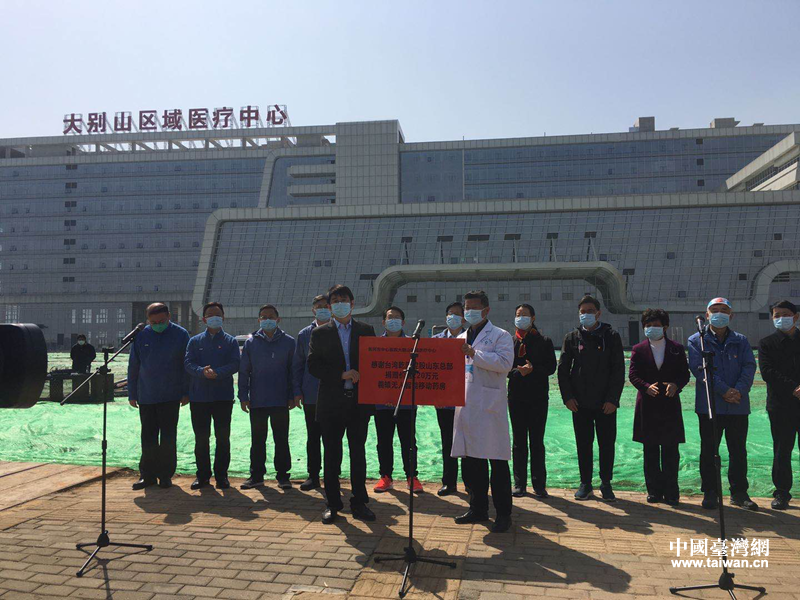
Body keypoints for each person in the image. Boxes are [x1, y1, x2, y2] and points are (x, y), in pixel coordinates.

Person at [307, 284, 376, 524]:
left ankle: (359, 502)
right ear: (329, 306)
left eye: (343, 300)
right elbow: (313, 365)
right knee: (332, 455)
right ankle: (333, 504)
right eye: (335, 301)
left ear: (352, 303)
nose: (339, 304)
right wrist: (341, 374)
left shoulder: (366, 330)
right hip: (331, 403)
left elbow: (374, 363)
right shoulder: (320, 333)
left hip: (358, 403)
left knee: (358, 454)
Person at [452, 290, 515, 533]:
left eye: (474, 308)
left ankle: (503, 514)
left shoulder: (501, 335)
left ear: (486, 310)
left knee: (497, 463)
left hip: (489, 408)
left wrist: (474, 354)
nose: (469, 312)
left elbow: (505, 363)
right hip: (466, 406)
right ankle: (478, 508)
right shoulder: (461, 337)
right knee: (472, 464)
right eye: (466, 308)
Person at [688, 297, 758, 511]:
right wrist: (724, 391)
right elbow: (700, 370)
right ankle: (710, 492)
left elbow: (749, 366)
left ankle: (739, 492)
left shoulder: (741, 340)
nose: (719, 314)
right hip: (710, 405)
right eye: (715, 310)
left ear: (731, 315)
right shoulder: (697, 340)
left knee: (738, 451)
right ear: (707, 315)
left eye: (724, 310)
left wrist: (739, 390)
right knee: (709, 450)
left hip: (738, 405)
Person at [557, 295, 625, 502]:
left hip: (606, 403)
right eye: (582, 312)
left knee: (607, 444)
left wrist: (613, 399)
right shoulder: (572, 338)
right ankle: (585, 483)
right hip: (579, 403)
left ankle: (606, 483)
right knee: (583, 444)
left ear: (598, 313)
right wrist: (568, 397)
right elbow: (563, 370)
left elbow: (618, 370)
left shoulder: (611, 336)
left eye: (590, 311)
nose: (586, 315)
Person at [628, 309, 690, 506]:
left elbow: (684, 374)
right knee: (650, 451)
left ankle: (672, 492)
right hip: (648, 405)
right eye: (648, 325)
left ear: (665, 327)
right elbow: (633, 375)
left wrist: (676, 385)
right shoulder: (638, 349)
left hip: (670, 405)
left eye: (656, 325)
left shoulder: (677, 348)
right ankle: (654, 491)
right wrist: (646, 387)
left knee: (671, 451)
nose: (651, 329)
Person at [127, 303, 190, 490]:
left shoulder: (181, 335)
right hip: (147, 394)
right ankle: (147, 475)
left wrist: (186, 391)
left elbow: (186, 365)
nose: (158, 325)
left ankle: (165, 475)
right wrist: (132, 393)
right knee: (148, 436)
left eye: (161, 321)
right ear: (148, 320)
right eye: (153, 322)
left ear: (169, 316)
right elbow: (134, 366)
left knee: (168, 437)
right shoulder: (141, 336)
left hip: (171, 395)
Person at [238, 304, 296, 490]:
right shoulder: (251, 343)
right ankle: (256, 476)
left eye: (271, 317)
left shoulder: (289, 342)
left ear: (278, 319)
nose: (267, 320)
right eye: (263, 317)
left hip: (280, 399)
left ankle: (283, 476)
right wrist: (243, 395)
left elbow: (293, 371)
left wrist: (293, 395)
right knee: (257, 440)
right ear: (259, 320)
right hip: (258, 400)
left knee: (281, 439)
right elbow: (244, 371)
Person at [184, 302, 240, 491]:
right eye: (210, 315)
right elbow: (188, 363)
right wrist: (202, 371)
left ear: (223, 317)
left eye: (217, 314)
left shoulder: (231, 341)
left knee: (222, 438)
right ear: (203, 319)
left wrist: (218, 373)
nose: (214, 318)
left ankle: (221, 476)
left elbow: (235, 363)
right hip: (199, 397)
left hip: (222, 397)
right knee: (201, 438)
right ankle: (202, 475)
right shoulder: (195, 341)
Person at [507, 303, 556, 499]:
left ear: (533, 318)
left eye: (525, 315)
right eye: (518, 315)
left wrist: (533, 369)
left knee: (537, 441)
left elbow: (551, 367)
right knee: (518, 441)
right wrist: (517, 371)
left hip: (538, 397)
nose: (521, 318)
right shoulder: (510, 341)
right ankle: (519, 484)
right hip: (516, 397)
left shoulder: (544, 341)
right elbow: (504, 366)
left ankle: (539, 484)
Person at [373, 306, 424, 494]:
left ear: (403, 322)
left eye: (396, 318)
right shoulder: (375, 345)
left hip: (407, 403)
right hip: (382, 404)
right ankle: (385, 477)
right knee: (384, 441)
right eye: (389, 317)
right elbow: (373, 374)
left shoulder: (413, 345)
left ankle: (412, 477)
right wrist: (383, 396)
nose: (392, 320)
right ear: (383, 322)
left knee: (408, 442)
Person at [757, 299, 800, 510]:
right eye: (777, 315)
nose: (781, 318)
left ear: (796, 317)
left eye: (786, 314)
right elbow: (768, 372)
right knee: (782, 450)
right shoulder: (767, 343)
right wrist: (794, 388)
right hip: (781, 405)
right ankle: (782, 492)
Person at [292, 294, 331, 491]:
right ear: (313, 310)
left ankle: (332, 475)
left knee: (332, 438)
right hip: (311, 393)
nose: (323, 309)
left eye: (326, 306)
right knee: (313, 437)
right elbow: (298, 364)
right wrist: (297, 390)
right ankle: (313, 475)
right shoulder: (304, 334)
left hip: (334, 393)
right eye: (319, 306)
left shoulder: (338, 330)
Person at [431, 301, 464, 496]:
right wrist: (435, 396)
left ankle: (470, 483)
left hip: (466, 399)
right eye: (450, 313)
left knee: (467, 442)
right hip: (444, 401)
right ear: (446, 317)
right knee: (447, 443)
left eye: (457, 314)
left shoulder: (470, 339)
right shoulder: (436, 340)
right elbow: (431, 370)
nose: (453, 317)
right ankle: (449, 482)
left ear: (463, 318)